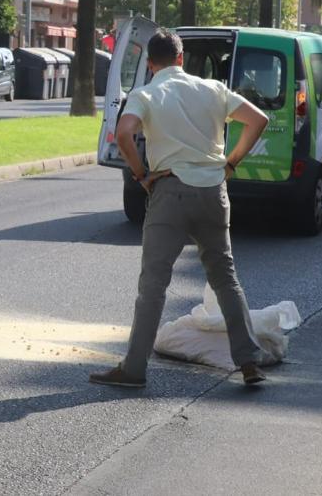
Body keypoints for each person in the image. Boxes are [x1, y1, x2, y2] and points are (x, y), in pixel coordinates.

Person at [91, 31, 271, 388]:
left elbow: (124, 134)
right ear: (182, 57)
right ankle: (249, 360)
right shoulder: (212, 89)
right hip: (213, 191)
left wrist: (141, 174)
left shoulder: (146, 94)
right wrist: (230, 164)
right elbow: (258, 120)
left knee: (154, 284)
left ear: (150, 63)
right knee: (225, 277)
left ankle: (134, 369)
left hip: (170, 191)